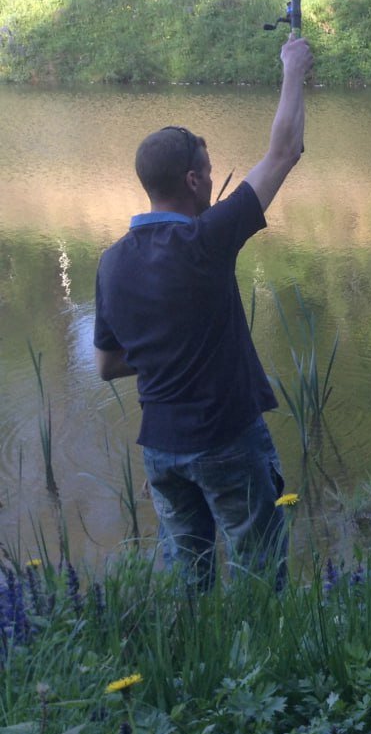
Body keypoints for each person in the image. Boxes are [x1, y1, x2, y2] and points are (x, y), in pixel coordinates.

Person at [94, 36, 314, 589]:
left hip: (161, 451)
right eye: (210, 173)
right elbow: (284, 151)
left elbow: (107, 364)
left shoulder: (111, 263)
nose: (215, 183)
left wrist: (168, 354)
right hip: (224, 440)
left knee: (187, 581)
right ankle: (264, 670)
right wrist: (293, 67)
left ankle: (195, 668)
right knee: (259, 572)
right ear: (192, 181)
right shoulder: (206, 241)